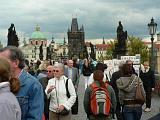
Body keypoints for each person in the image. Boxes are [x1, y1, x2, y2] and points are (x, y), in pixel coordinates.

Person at [0, 46, 44, 120]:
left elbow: (35, 117)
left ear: (16, 63)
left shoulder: (33, 85)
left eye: (2, 61)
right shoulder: (4, 82)